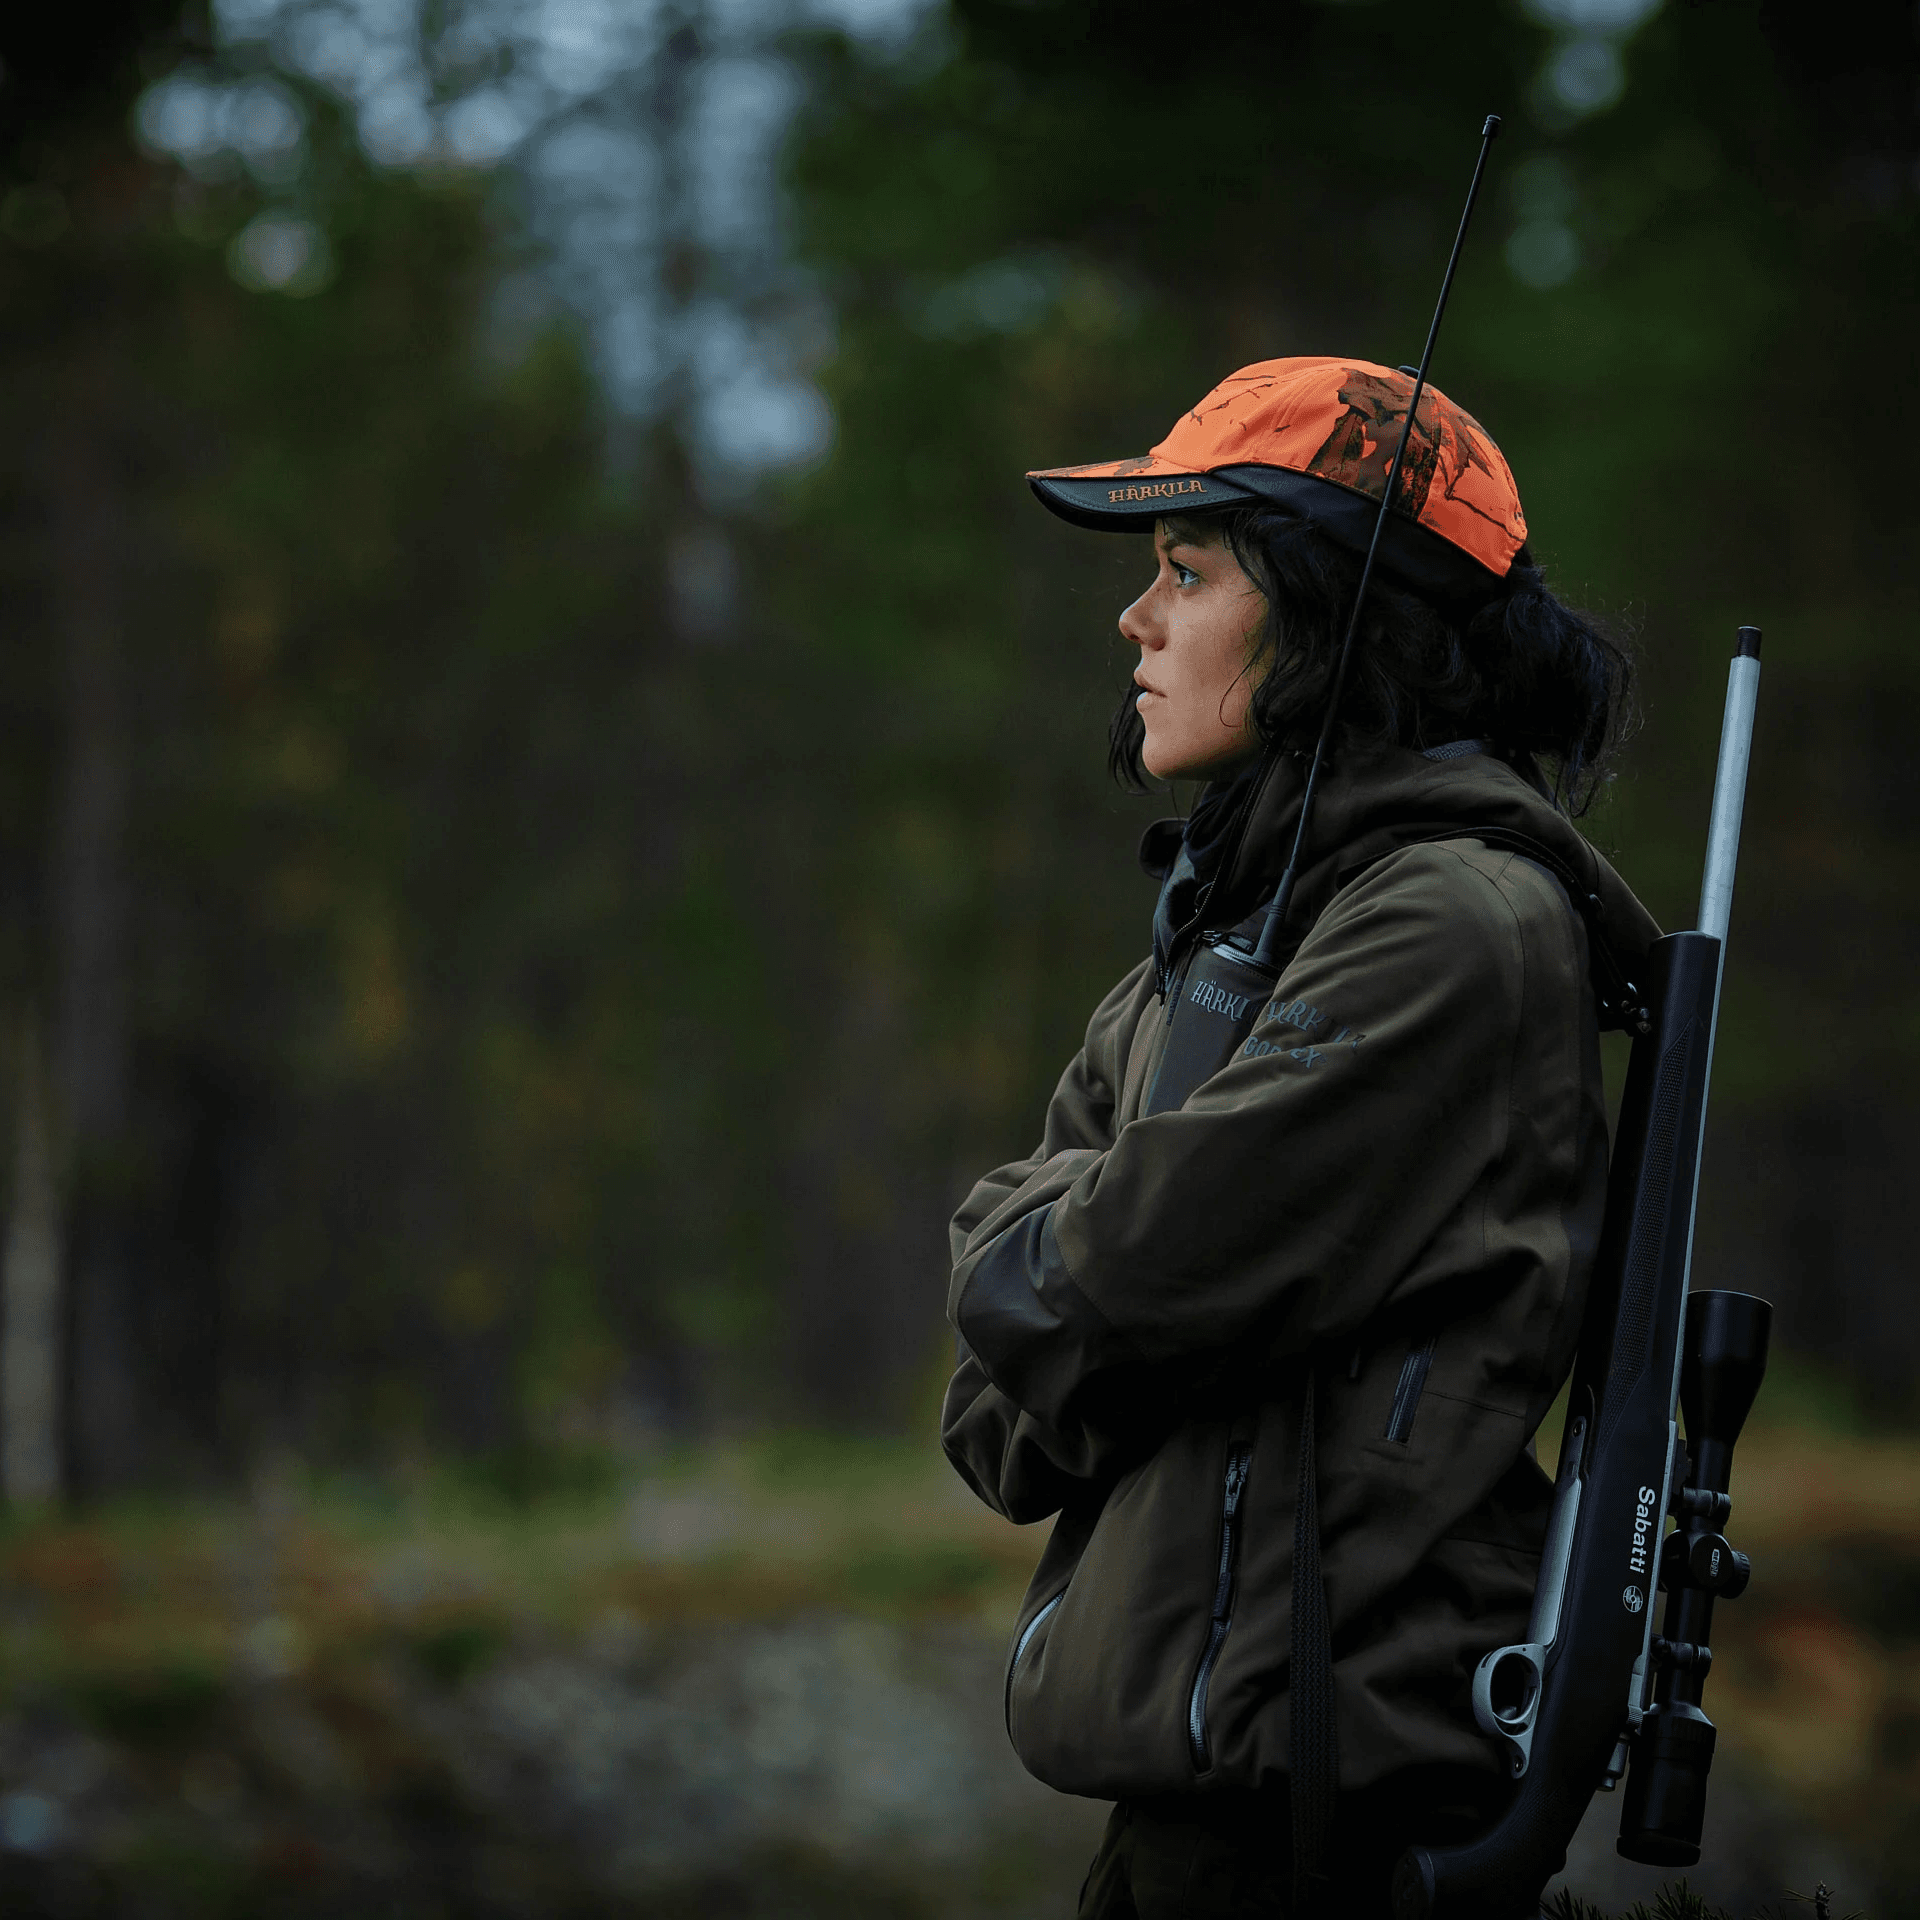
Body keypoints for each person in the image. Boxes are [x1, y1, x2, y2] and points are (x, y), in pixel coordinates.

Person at [939, 357, 1662, 1919]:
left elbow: (1104, 1280)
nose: (1135, 625)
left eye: (1188, 575)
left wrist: (1075, 1267)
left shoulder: (1449, 921)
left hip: (1329, 1809)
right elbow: (993, 1418)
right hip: (1197, 1802)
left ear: (1341, 621)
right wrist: (1082, 1277)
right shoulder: (1222, 940)